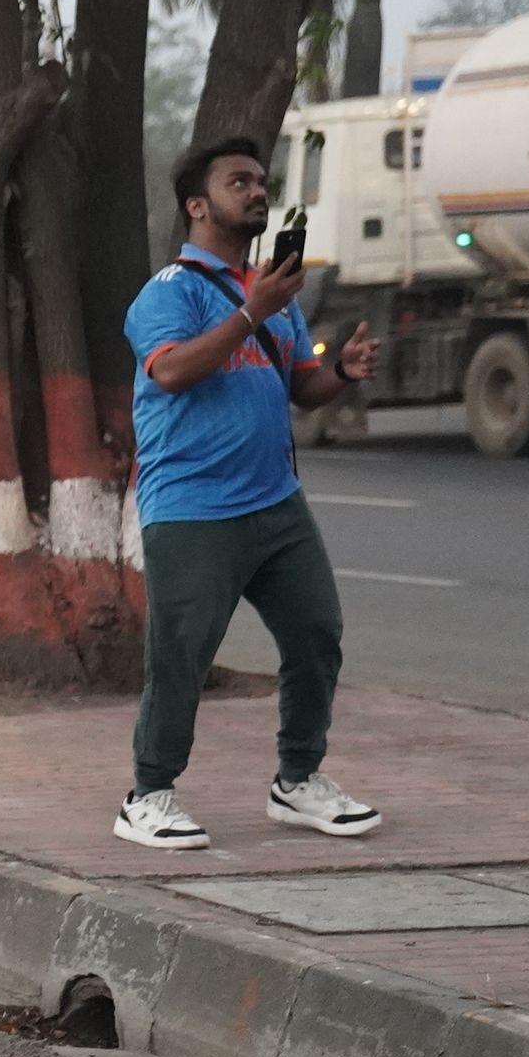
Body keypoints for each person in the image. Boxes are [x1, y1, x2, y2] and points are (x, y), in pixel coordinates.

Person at [116, 137, 385, 850]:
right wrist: (251, 312)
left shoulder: (272, 293)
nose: (258, 191)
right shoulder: (168, 292)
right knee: (181, 656)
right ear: (197, 206)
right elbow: (172, 372)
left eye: (261, 181)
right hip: (191, 509)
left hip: (276, 504)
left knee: (316, 633)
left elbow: (302, 387)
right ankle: (147, 795)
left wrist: (342, 372)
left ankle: (298, 780)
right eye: (239, 182)